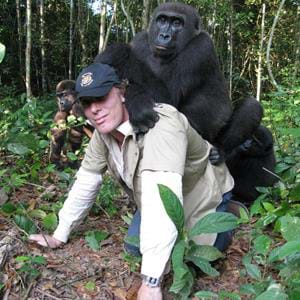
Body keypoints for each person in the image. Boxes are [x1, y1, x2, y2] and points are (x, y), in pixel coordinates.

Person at [30, 63, 239, 300]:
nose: (95, 109)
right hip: (156, 195)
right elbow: (87, 181)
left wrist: (151, 282)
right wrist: (60, 233)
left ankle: (229, 210)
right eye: (88, 103)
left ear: (121, 93)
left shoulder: (161, 124)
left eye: (101, 97)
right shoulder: (103, 134)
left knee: (194, 260)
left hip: (200, 191)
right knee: (135, 248)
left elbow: (161, 197)